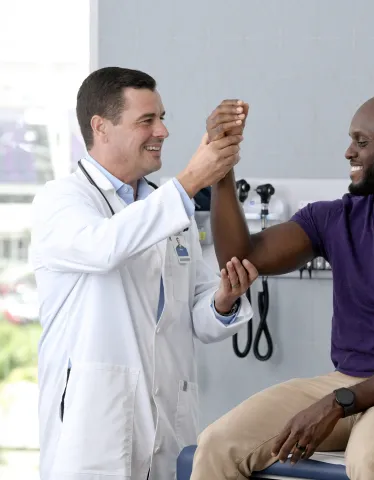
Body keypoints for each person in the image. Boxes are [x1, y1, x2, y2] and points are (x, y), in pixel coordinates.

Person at [191, 93, 374, 480]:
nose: (348, 152)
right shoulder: (336, 218)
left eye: (362, 142)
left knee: (371, 454)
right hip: (348, 384)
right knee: (218, 443)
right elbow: (241, 257)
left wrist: (338, 402)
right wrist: (222, 169)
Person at [30, 67, 259, 480]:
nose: (163, 131)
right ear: (101, 128)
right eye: (147, 121)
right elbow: (105, 247)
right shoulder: (60, 201)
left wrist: (223, 300)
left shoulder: (169, 208)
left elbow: (199, 316)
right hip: (93, 430)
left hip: (168, 425)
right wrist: (190, 181)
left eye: (163, 117)